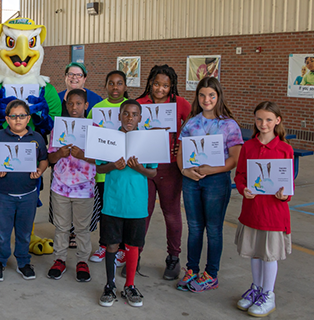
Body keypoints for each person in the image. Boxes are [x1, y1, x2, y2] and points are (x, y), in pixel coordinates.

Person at [176, 77, 243, 292]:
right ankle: (192, 269)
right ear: (197, 97)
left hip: (216, 181)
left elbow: (234, 159)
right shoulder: (191, 123)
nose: (207, 99)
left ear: (218, 96)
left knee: (213, 229)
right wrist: (184, 170)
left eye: (211, 95)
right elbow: (180, 152)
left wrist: (210, 170)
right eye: (203, 95)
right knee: (194, 228)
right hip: (191, 180)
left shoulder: (229, 125)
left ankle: (211, 274)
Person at [233, 101, 293, 317]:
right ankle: (256, 289)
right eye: (259, 119)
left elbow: (288, 184)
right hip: (252, 209)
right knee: (255, 253)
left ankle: (268, 294)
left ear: (277, 121)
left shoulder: (285, 149)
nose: (263, 124)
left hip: (273, 213)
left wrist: (284, 195)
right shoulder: (248, 147)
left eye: (268, 119)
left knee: (269, 255)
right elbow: (240, 175)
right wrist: (243, 189)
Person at [96, 99, 157, 308]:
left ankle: (130, 285)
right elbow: (99, 169)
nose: (130, 118)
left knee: (133, 245)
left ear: (140, 118)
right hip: (113, 202)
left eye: (134, 114)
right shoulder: (109, 139)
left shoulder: (146, 140)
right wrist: (114, 165)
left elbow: (153, 172)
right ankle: (110, 285)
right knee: (111, 243)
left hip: (137, 204)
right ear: (119, 116)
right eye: (126, 114)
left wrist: (139, 167)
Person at [135, 65, 191, 280]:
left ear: (171, 87)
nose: (160, 88)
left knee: (171, 213)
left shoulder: (180, 104)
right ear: (150, 82)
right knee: (143, 213)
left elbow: (194, 126)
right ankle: (135, 254)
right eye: (157, 83)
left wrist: (181, 144)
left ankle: (173, 258)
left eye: (165, 85)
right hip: (144, 167)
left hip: (169, 168)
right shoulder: (140, 104)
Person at [0, 99, 49, 282]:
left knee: (24, 231)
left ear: (28, 118)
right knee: (2, 232)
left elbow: (44, 159)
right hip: (4, 194)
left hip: (28, 194)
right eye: (13, 116)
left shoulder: (36, 138)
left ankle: (23, 262)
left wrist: (40, 170)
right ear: (7, 118)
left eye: (22, 116)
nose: (18, 120)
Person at [46, 89, 96, 282]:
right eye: (70, 104)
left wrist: (82, 155)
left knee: (82, 229)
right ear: (66, 105)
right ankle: (59, 259)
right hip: (60, 187)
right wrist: (60, 153)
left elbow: (100, 159)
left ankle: (82, 261)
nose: (74, 107)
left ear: (86, 106)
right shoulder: (58, 129)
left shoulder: (94, 128)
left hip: (84, 188)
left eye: (78, 104)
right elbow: (50, 157)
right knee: (61, 227)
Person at [88, 70, 129, 266]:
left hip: (126, 172)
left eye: (119, 83)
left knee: (122, 210)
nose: (115, 87)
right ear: (105, 86)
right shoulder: (96, 108)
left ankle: (121, 249)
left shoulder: (131, 108)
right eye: (111, 83)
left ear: (125, 86)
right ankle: (104, 245)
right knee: (105, 212)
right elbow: (88, 134)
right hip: (104, 172)